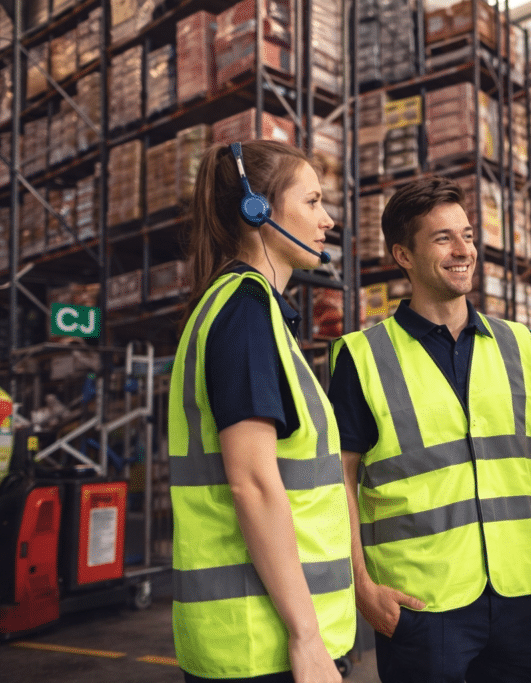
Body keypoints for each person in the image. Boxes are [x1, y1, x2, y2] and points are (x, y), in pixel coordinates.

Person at [328, 176, 531, 682]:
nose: (463, 249)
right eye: (443, 238)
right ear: (403, 255)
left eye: (467, 234)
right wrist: (360, 584)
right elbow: (341, 482)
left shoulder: (519, 345)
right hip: (422, 603)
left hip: (521, 592)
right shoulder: (362, 357)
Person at [168, 140, 355, 683]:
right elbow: (252, 482)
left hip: (257, 635)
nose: (327, 219)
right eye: (313, 201)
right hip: (264, 643)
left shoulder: (246, 311)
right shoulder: (245, 315)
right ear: (259, 210)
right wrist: (307, 637)